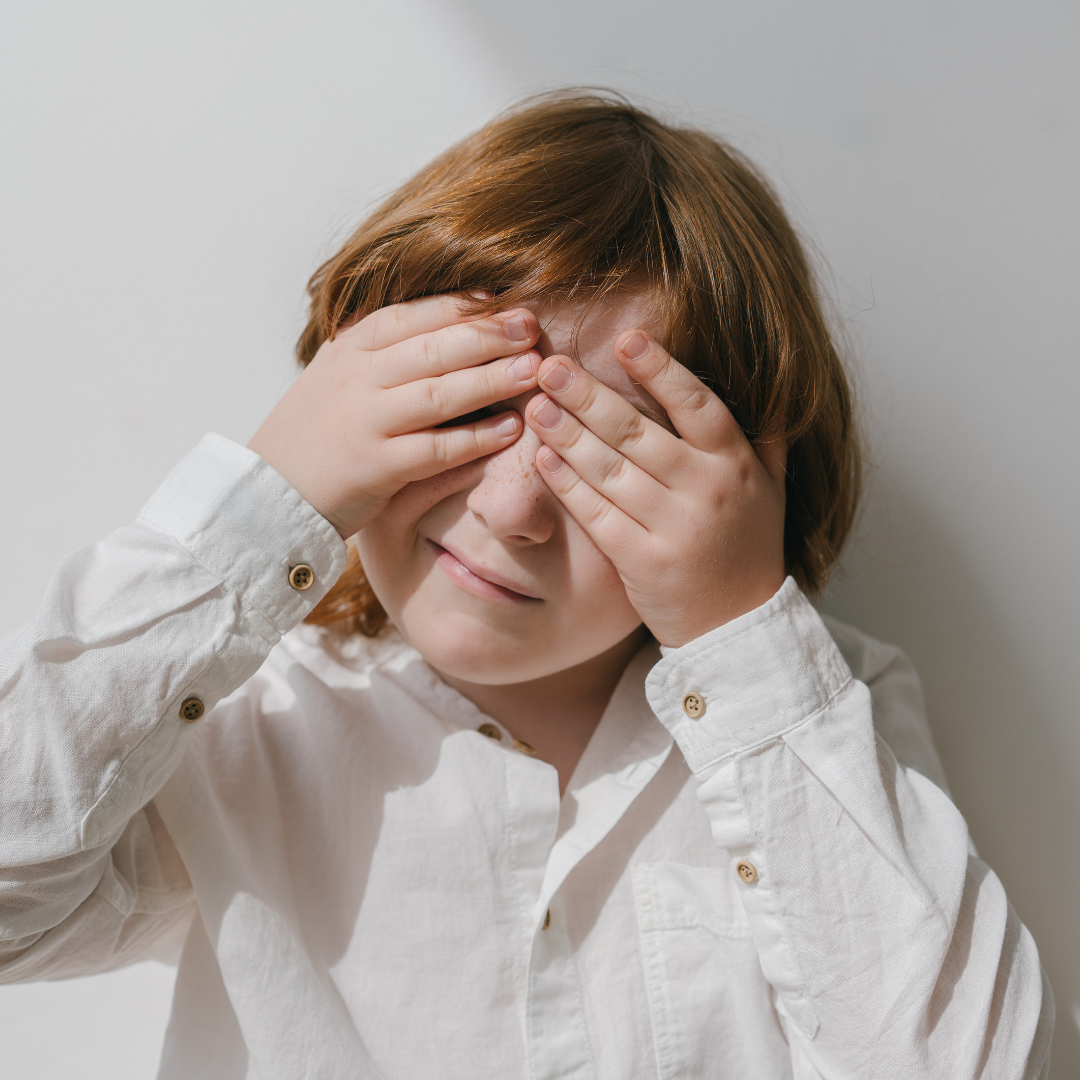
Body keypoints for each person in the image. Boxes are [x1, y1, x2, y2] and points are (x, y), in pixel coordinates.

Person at [0, 91, 1053, 1079]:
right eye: (466, 414)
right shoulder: (248, 723)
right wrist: (268, 503)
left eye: (608, 459)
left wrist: (740, 632)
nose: (512, 512)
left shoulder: (823, 718)